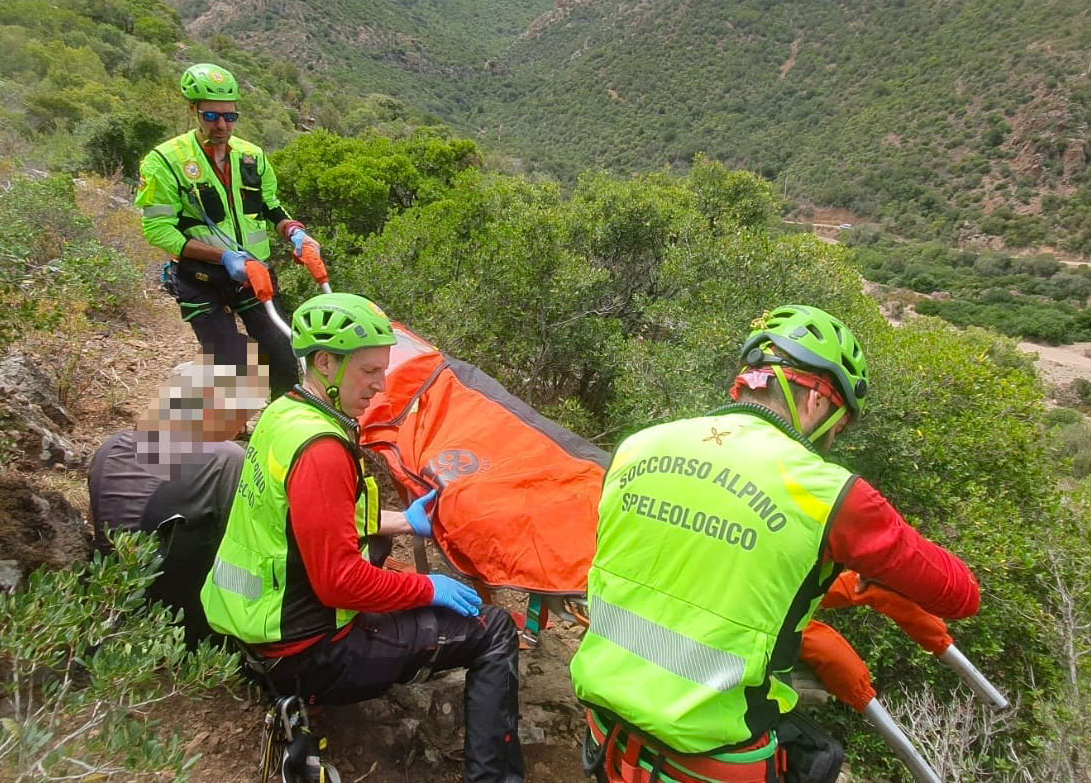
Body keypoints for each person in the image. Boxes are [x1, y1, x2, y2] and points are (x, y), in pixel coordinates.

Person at [569, 304, 980, 783]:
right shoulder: (828, 494)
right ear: (818, 402)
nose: (834, 437)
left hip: (606, 734)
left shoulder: (639, 444)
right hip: (710, 760)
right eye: (840, 423)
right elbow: (960, 595)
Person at [200, 293, 525, 783]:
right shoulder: (323, 450)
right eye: (369, 371)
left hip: (254, 630)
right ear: (326, 362)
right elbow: (339, 584)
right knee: (494, 630)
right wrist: (430, 588)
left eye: (383, 370)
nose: (380, 385)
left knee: (382, 563)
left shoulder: (283, 415)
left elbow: (304, 518)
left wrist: (399, 522)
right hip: (312, 652)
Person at [135, 62, 320, 399]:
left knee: (281, 352)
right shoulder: (164, 161)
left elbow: (268, 205)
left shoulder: (252, 157)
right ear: (193, 109)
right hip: (200, 278)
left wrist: (294, 232)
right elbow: (159, 229)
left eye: (230, 116)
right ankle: (219, 434)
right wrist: (224, 256)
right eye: (211, 117)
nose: (222, 125)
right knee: (231, 365)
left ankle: (284, 426)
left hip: (253, 275)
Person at [88, 351, 268, 647]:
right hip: (192, 629)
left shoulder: (111, 450)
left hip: (120, 613)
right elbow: (248, 548)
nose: (241, 429)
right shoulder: (225, 461)